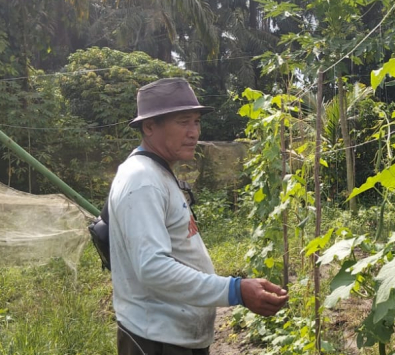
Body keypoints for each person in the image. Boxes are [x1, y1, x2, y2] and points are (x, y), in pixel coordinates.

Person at [108, 78, 288, 355]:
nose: (194, 132)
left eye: (196, 122)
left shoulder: (158, 172)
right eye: (183, 122)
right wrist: (236, 290)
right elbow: (152, 267)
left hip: (177, 336)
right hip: (156, 341)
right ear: (149, 126)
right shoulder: (142, 180)